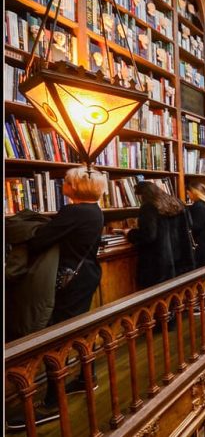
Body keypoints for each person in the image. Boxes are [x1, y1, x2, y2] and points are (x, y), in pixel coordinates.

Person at [5, 167, 107, 429]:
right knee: (80, 330)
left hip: (68, 279)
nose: (64, 183)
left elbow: (40, 240)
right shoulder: (94, 210)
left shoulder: (74, 211)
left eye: (67, 181)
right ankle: (86, 378)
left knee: (55, 337)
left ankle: (52, 403)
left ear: (75, 187)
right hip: (86, 275)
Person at [125, 181, 196, 288]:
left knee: (155, 299)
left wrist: (130, 233)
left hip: (159, 264)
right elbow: (190, 223)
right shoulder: (177, 202)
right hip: (181, 259)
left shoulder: (149, 207)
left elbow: (149, 235)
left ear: (142, 195)